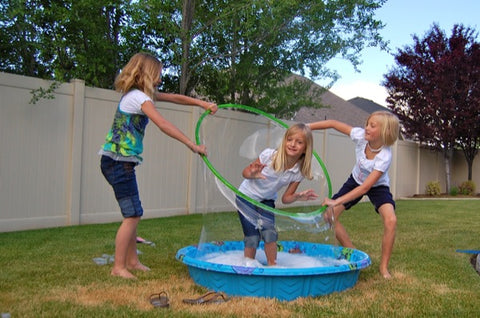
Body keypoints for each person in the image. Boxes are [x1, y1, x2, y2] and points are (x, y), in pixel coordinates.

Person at [99, 52, 217, 279]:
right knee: (132, 215)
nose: (160, 79)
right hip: (117, 162)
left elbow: (175, 98)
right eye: (158, 74)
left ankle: (132, 261)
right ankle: (119, 267)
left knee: (134, 213)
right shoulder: (137, 98)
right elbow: (162, 123)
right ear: (147, 73)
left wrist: (201, 103)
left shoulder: (141, 95)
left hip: (119, 162)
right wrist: (193, 145)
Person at [308, 111, 400, 278]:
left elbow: (365, 188)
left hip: (377, 187)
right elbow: (333, 123)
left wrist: (336, 201)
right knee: (329, 216)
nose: (366, 128)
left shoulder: (384, 155)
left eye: (372, 126)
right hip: (355, 180)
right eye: (367, 123)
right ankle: (354, 253)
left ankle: (384, 268)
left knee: (391, 220)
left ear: (385, 132)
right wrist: (307, 128)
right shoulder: (360, 136)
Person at [236, 123, 318, 266]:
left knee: (269, 234)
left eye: (299, 142)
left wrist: (298, 197)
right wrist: (253, 174)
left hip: (266, 200)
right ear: (285, 140)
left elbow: (286, 198)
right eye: (290, 139)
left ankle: (272, 266)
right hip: (246, 197)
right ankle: (248, 265)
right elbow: (245, 173)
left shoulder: (298, 172)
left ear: (306, 148)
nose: (293, 144)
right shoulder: (269, 155)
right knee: (252, 236)